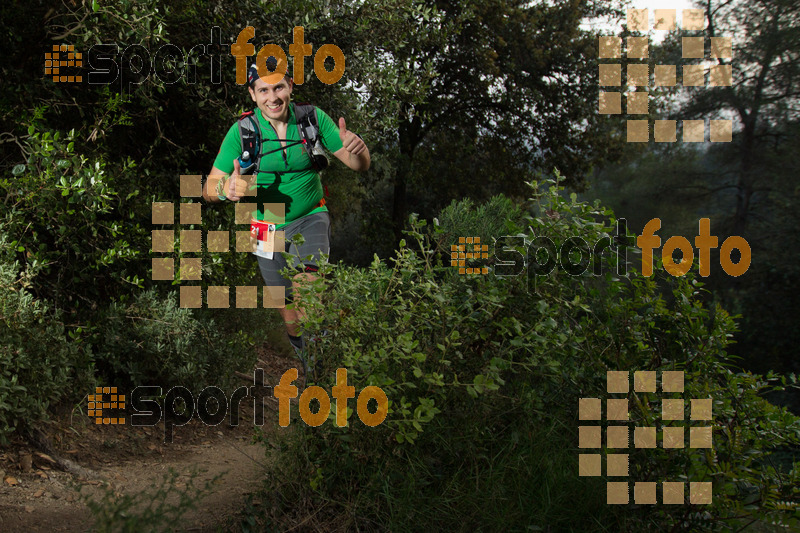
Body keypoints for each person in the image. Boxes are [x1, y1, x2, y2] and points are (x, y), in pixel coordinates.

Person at [203, 60, 370, 376]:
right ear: (253, 94)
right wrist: (227, 188)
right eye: (263, 90)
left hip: (310, 217)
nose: (273, 97)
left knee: (309, 296)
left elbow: (357, 164)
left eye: (279, 87)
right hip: (264, 228)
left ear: (290, 87)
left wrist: (359, 150)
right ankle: (309, 362)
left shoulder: (311, 119)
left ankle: (319, 375)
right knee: (290, 315)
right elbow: (209, 187)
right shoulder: (243, 131)